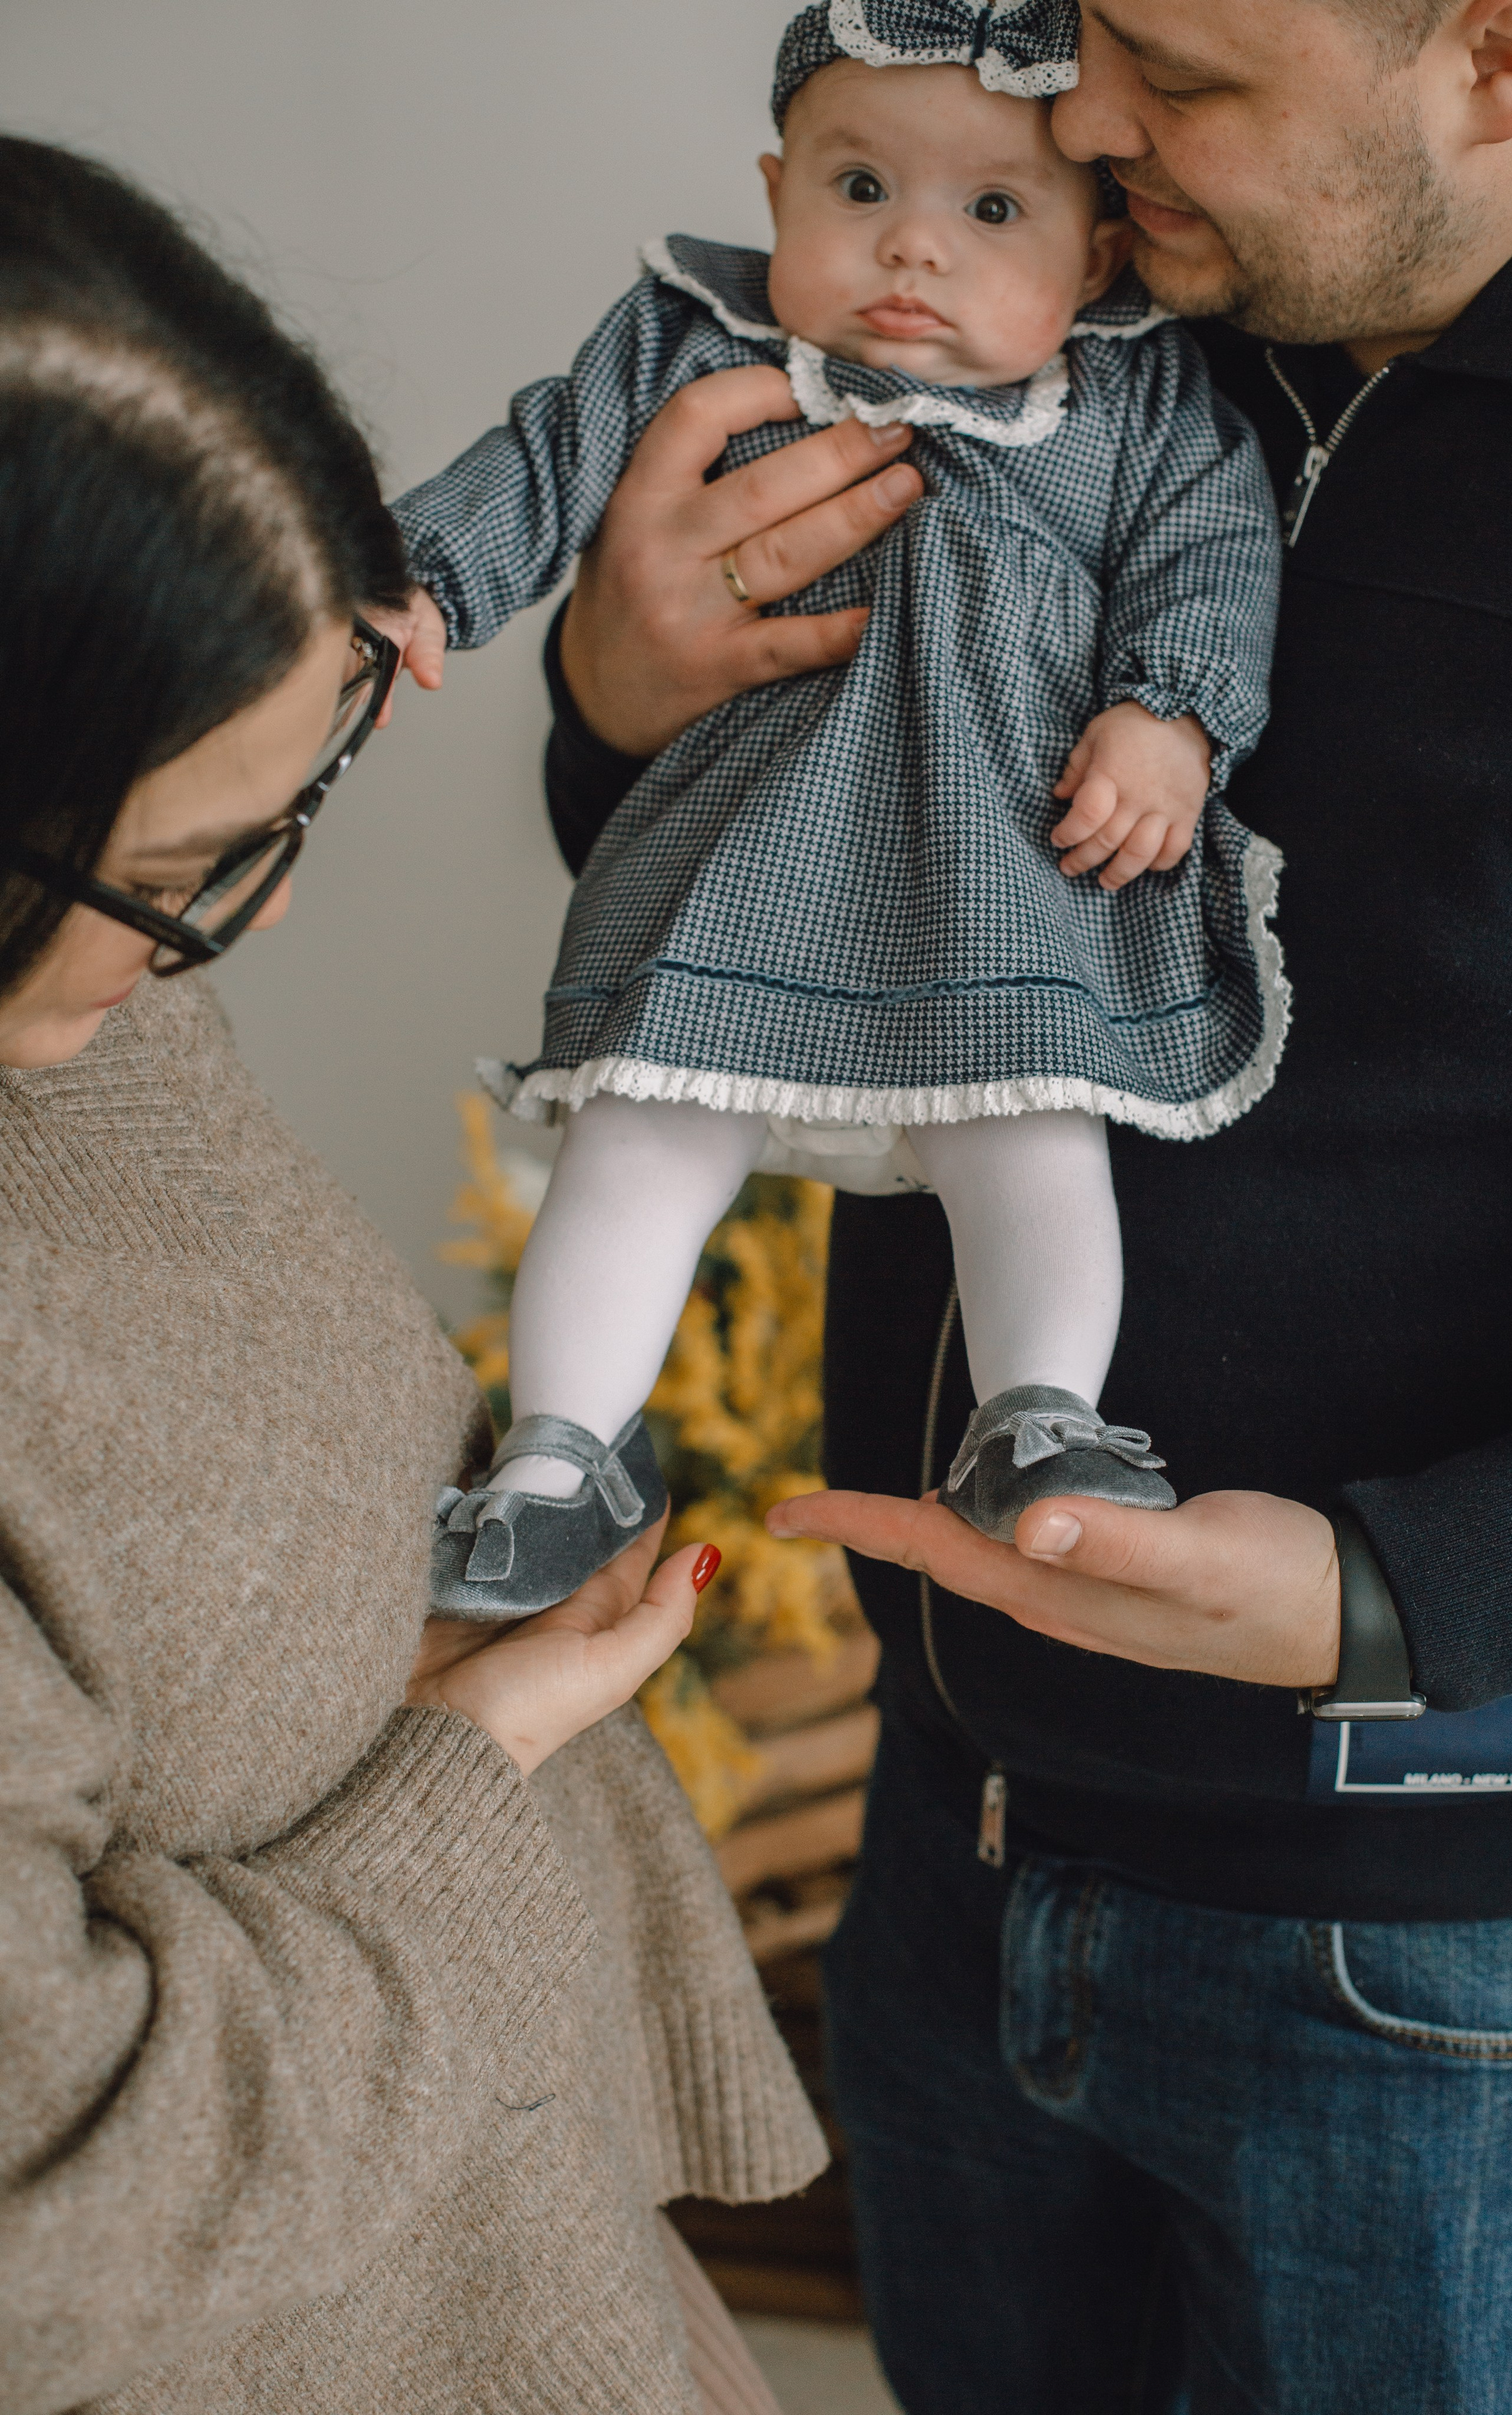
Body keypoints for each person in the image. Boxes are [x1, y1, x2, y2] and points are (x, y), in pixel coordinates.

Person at [537, 0, 1512, 2406]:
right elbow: (799, 871)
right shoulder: (1080, 306)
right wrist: (618, 707)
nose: (1083, 121)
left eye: (1178, 68)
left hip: (1453, 1936)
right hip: (966, 1837)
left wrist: (1416, 1586)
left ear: (1507, 59)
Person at [0, 136, 823, 2415]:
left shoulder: (87, 1017)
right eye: (182, 868)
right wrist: (468, 1765)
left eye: (299, 804)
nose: (241, 928)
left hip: (496, 2268)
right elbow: (44, 2218)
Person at [386, 0, 1284, 1623]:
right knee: (639, 1139)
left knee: (1032, 1138)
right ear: (776, 188)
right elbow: (542, 461)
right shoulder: (697, 345)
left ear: (1095, 262)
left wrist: (1172, 714)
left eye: (991, 210)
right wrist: (418, 581)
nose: (912, 252)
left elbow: (1213, 553)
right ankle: (558, 1453)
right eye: (858, 189)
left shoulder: (1141, 405)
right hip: (743, 865)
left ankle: (1039, 1418)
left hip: (1004, 883)